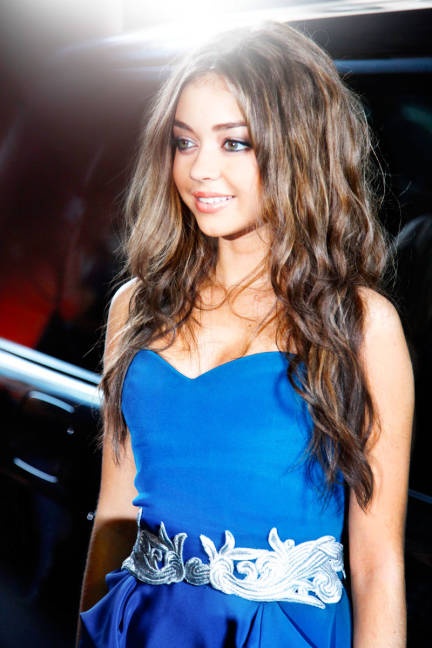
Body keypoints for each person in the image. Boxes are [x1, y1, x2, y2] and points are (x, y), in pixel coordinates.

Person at [77, 21, 413, 647]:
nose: (200, 170)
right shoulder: (137, 305)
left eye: (235, 143)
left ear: (299, 149)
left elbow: (376, 567)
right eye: (184, 142)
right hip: (141, 631)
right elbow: (116, 514)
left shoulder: (360, 325)